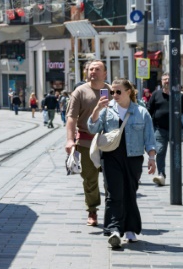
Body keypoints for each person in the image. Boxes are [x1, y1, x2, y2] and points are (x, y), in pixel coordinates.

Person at [87, 78, 156, 247]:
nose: (114, 95)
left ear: (129, 92)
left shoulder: (141, 112)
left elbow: (149, 138)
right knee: (113, 194)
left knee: (130, 193)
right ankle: (114, 230)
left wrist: (152, 158)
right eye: (112, 92)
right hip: (111, 157)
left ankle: (131, 229)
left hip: (133, 158)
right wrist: (96, 110)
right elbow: (92, 128)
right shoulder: (106, 109)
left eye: (118, 91)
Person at [65, 60, 109, 227]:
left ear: (104, 73)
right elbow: (71, 118)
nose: (93, 72)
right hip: (85, 142)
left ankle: (112, 211)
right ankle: (92, 210)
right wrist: (70, 139)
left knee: (111, 180)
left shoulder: (111, 91)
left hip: (108, 143)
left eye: (97, 69)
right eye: (91, 69)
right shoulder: (80, 92)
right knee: (90, 180)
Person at [147, 72, 174, 186]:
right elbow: (149, 110)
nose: (166, 81)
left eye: (168, 79)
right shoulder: (156, 94)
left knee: (177, 153)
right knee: (161, 150)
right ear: (161, 81)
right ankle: (161, 175)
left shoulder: (178, 95)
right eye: (164, 79)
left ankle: (177, 175)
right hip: (160, 129)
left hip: (176, 130)